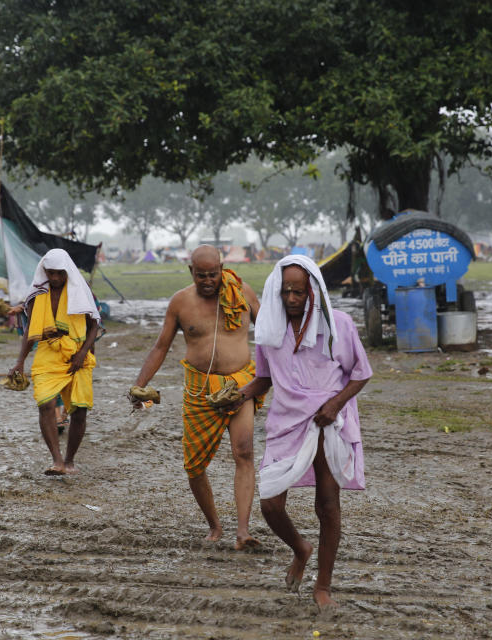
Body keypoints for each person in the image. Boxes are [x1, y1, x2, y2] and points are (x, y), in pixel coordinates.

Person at [234, 255, 372, 610]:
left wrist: (335, 404)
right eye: (285, 293)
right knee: (270, 504)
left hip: (328, 423)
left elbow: (361, 373)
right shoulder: (269, 332)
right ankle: (300, 549)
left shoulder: (338, 325)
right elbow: (264, 378)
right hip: (286, 421)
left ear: (314, 291)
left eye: (299, 292)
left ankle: (323, 586)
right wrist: (239, 395)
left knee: (327, 505)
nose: (292, 299)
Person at [131, 245, 263, 549]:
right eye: (201, 275)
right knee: (195, 466)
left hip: (240, 385)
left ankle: (243, 531)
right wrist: (140, 385)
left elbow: (271, 331)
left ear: (221, 269)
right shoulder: (180, 302)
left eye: (213, 274)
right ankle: (215, 525)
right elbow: (161, 346)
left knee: (243, 452)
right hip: (199, 389)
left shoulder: (241, 291)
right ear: (191, 271)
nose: (208, 281)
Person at [9, 249, 99, 475]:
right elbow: (30, 328)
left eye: (60, 273)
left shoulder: (80, 291)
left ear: (67, 271)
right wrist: (20, 361)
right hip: (48, 351)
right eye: (51, 273)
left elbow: (94, 325)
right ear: (44, 271)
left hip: (76, 353)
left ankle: (69, 461)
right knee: (45, 404)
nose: (56, 278)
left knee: (79, 410)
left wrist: (83, 354)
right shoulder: (38, 294)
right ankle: (56, 460)